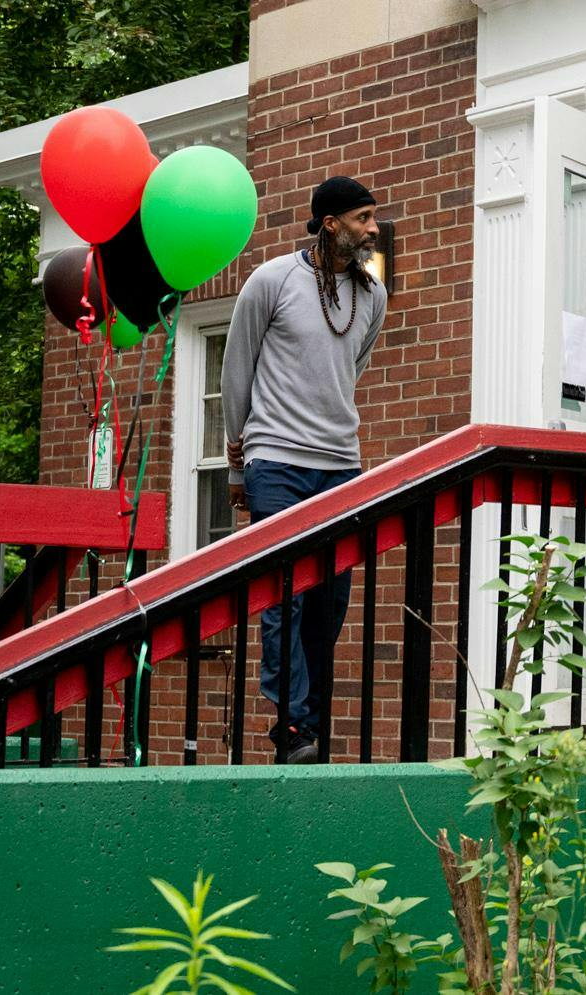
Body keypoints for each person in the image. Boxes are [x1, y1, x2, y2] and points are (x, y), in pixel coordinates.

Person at [222, 175, 387, 764]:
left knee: (328, 603)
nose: (373, 229)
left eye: (374, 218)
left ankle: (309, 725)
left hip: (341, 465)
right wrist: (237, 468)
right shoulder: (271, 281)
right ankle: (292, 726)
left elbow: (351, 370)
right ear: (329, 224)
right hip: (277, 462)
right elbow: (236, 374)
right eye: (363, 218)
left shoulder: (372, 296)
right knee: (284, 595)